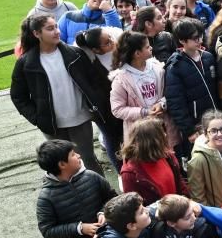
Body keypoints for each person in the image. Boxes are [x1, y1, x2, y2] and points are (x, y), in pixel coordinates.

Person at [10, 15, 107, 176]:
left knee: (88, 161)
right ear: (36, 33)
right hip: (52, 125)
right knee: (63, 167)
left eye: (56, 26)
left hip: (80, 119)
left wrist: (94, 105)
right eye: (50, 28)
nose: (57, 31)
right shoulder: (26, 62)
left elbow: (95, 82)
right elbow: (18, 96)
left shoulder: (75, 54)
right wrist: (37, 117)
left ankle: (103, 194)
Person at [36, 140, 117, 238]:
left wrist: (103, 213)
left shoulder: (92, 177)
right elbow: (47, 230)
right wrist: (79, 228)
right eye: (73, 154)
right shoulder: (46, 198)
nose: (78, 155)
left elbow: (112, 197)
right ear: (62, 164)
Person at [109, 30, 177, 148]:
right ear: (137, 53)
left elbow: (171, 91)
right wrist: (144, 112)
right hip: (142, 134)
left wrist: (162, 104)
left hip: (164, 128)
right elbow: (117, 109)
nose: (151, 48)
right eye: (147, 47)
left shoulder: (158, 67)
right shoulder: (121, 79)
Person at [165, 18, 218, 163]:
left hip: (216, 117)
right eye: (195, 38)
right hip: (196, 124)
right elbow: (175, 102)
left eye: (201, 35)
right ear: (182, 41)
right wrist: (189, 130)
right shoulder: (175, 67)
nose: (200, 40)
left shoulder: (208, 57)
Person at [74, 27, 124, 171]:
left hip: (122, 93)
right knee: (111, 135)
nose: (112, 42)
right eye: (107, 43)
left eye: (110, 37)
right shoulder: (82, 55)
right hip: (101, 101)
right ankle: (120, 170)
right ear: (96, 50)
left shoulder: (117, 36)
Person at [119, 117, 187, 206]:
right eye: (161, 133)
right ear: (150, 141)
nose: (165, 135)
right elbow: (134, 208)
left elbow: (180, 182)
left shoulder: (168, 156)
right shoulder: (129, 174)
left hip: (180, 210)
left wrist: (188, 201)